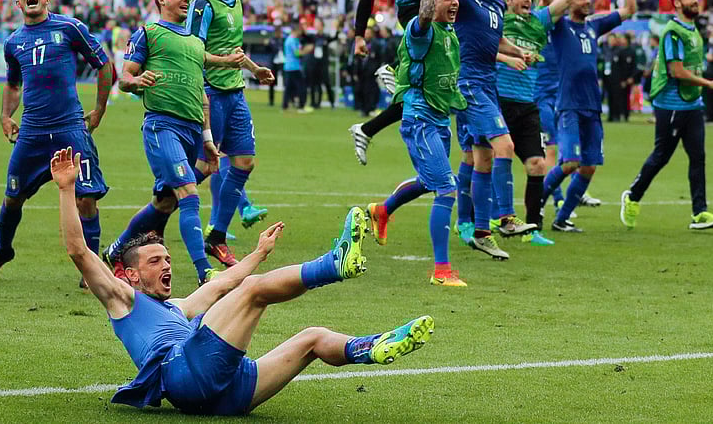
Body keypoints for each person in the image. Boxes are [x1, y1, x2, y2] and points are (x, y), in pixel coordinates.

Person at [51, 145, 434, 414]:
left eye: (168, 258)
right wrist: (68, 189)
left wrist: (257, 254)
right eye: (155, 260)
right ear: (131, 274)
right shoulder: (122, 300)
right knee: (253, 292)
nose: (166, 265)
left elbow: (218, 285)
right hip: (184, 373)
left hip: (224, 393)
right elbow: (78, 252)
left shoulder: (176, 308)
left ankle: (370, 347)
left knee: (312, 339)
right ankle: (334, 265)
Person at [348, 0, 535, 165]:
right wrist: (358, 35)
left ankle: (372, 122)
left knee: (429, 88)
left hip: (450, 2)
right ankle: (399, 71)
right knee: (428, 70)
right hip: (415, 5)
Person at [103, 0, 243, 286]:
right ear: (161, 0)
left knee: (164, 204)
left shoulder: (195, 41)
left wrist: (208, 139)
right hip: (162, 126)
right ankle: (204, 271)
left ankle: (116, 250)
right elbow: (125, 76)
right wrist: (135, 82)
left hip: (193, 131)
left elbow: (202, 95)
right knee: (189, 195)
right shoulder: (149, 33)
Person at [0, 0, 113, 284]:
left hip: (70, 129)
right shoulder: (13, 43)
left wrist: (101, 108)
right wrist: (6, 115)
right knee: (12, 197)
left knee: (85, 198)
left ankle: (90, 269)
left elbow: (104, 65)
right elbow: (13, 84)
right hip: (32, 133)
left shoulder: (69, 28)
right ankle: (3, 250)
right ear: (18, 3)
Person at [169, 0, 278, 237]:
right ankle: (165, 199)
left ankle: (218, 230)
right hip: (209, 93)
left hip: (235, 90)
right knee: (205, 165)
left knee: (243, 161)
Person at [369, 0, 472, 286]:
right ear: (432, 1)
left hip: (440, 119)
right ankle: (442, 270)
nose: (454, 3)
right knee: (446, 188)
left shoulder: (450, 32)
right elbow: (425, 13)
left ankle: (382, 210)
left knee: (429, 182)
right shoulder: (421, 29)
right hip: (420, 118)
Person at [448, 0, 538, 257]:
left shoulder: (497, 6)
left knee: (479, 158)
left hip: (487, 84)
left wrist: (518, 52)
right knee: (506, 147)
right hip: (469, 84)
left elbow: (496, 40)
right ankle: (506, 218)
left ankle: (481, 231)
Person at [541, 0, 637, 232]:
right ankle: (536, 207)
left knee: (589, 167)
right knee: (569, 162)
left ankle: (561, 220)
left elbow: (629, 9)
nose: (587, 1)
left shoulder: (593, 27)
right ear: (571, 0)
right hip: (568, 104)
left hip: (592, 106)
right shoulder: (560, 26)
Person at [621, 0, 713, 231]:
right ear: (677, 3)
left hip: (692, 104)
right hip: (671, 105)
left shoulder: (694, 31)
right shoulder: (673, 32)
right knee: (661, 157)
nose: (695, 0)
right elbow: (676, 71)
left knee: (698, 157)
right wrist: (710, 84)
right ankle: (633, 197)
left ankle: (699, 213)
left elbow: (693, 67)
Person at [492, 0, 579, 247]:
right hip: (498, 98)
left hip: (527, 104)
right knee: (487, 160)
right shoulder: (499, 18)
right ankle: (479, 221)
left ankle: (532, 228)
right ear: (509, 0)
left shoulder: (539, 21)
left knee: (537, 165)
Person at [281, 25, 310, 112]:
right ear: (296, 31)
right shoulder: (291, 40)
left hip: (289, 67)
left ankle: (284, 106)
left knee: (288, 88)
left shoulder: (292, 40)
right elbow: (297, 53)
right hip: (294, 67)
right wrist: (307, 50)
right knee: (301, 87)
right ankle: (301, 106)